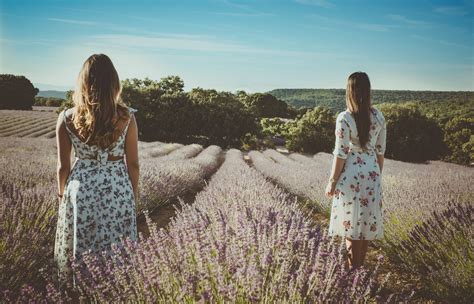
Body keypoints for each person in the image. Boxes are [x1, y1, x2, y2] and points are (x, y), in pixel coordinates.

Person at [53, 54, 140, 284]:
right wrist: (134, 194)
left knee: (82, 248)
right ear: (114, 83)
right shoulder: (126, 117)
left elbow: (63, 166)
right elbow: (133, 164)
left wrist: (62, 195)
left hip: (81, 190)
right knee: (117, 249)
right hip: (117, 188)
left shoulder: (66, 117)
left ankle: (80, 291)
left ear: (82, 82)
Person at [325, 71, 387, 269]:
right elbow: (380, 152)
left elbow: (341, 153)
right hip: (372, 173)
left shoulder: (344, 117)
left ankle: (353, 271)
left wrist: (332, 181)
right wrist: (376, 178)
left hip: (350, 174)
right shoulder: (378, 116)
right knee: (366, 223)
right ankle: (360, 267)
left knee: (350, 225)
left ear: (349, 91)